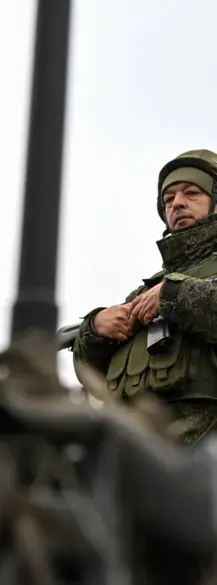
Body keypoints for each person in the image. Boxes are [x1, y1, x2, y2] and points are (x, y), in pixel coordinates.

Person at [73, 149, 217, 446]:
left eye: (192, 193)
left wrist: (173, 295)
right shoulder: (144, 292)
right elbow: (90, 374)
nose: (177, 203)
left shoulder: (163, 290)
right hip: (137, 451)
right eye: (168, 199)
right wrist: (95, 329)